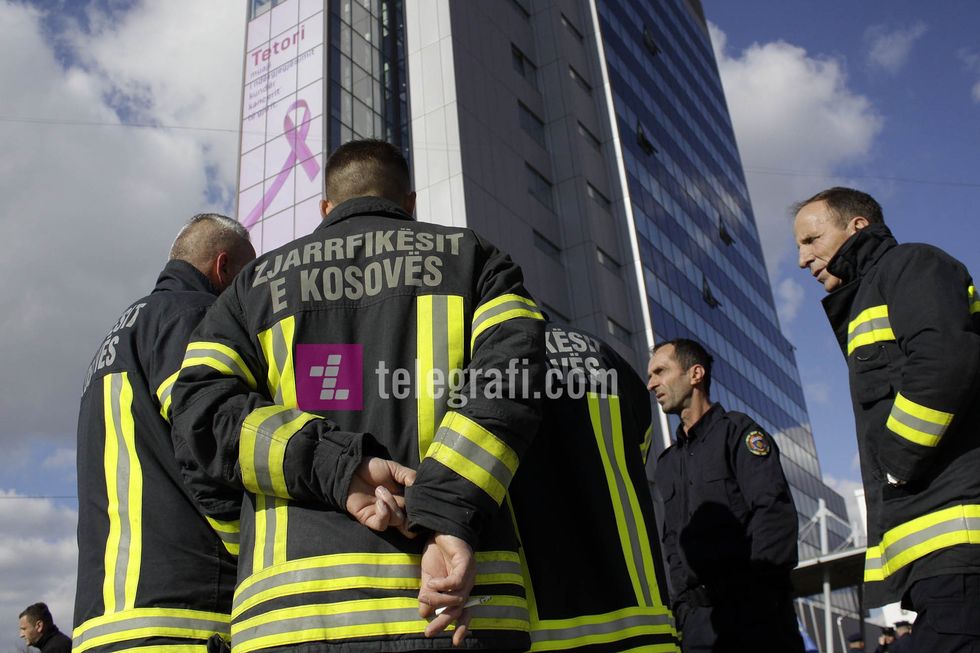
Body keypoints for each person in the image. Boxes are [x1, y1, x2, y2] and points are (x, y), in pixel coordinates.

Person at [170, 139, 546, 653]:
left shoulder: (250, 288)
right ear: (410, 204)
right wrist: (444, 514)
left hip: (294, 613)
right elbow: (512, 382)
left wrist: (340, 467)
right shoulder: (476, 259)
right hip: (459, 606)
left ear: (326, 209)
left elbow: (199, 416)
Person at [793, 187, 980, 652]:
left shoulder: (913, 265)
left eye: (811, 240)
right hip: (935, 547)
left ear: (858, 226)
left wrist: (896, 461)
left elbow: (945, 361)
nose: (802, 259)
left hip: (957, 537)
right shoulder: (867, 297)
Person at [72, 214, 255, 652]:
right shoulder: (194, 317)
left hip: (104, 622)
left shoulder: (116, 339)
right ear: (223, 267)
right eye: (247, 278)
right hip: (187, 618)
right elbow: (209, 442)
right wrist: (245, 551)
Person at [507, 322, 681, 652]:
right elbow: (639, 448)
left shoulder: (486, 355)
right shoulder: (603, 353)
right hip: (641, 622)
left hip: (546, 622)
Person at [647, 338, 803, 653]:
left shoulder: (739, 433)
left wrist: (758, 596)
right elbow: (672, 543)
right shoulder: (667, 463)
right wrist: (682, 610)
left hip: (755, 618)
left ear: (695, 375)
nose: (651, 384)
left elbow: (774, 514)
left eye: (660, 372)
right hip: (698, 628)